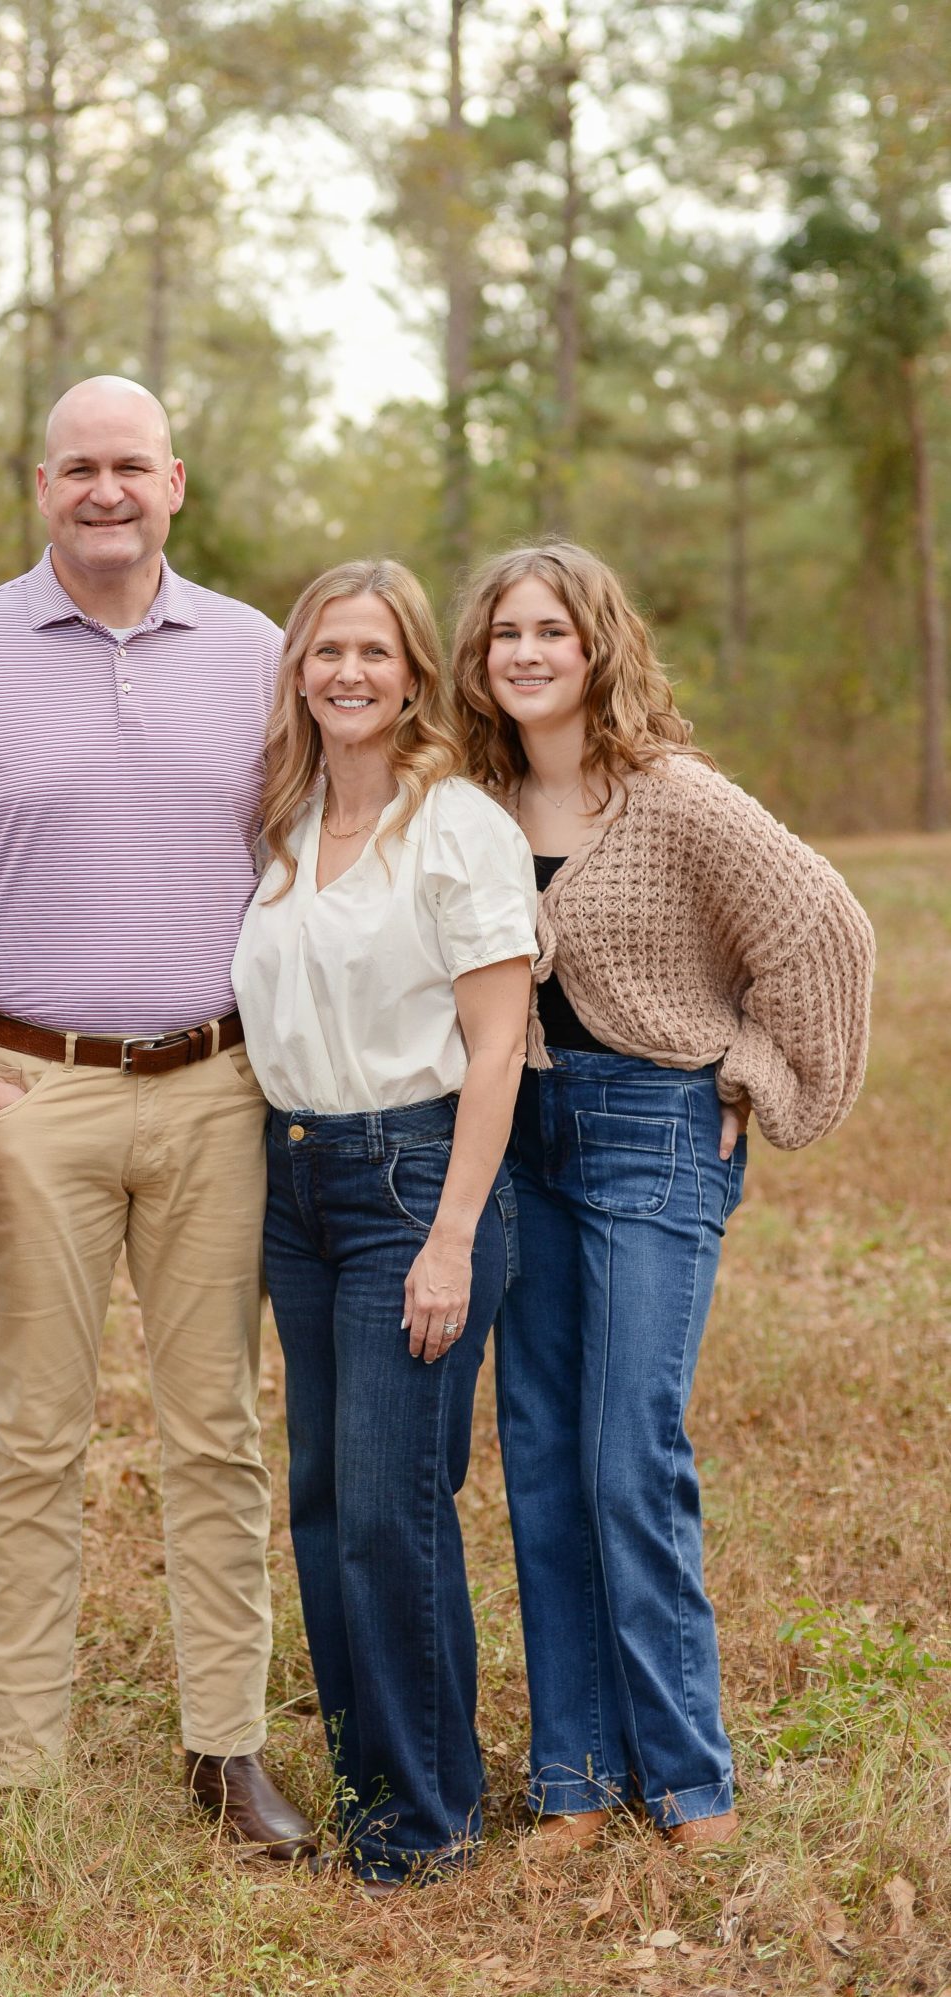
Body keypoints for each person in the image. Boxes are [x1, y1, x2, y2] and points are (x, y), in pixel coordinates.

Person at [0, 375, 314, 1856]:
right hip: (24, 1088)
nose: (103, 490)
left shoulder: (255, 651)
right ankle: (22, 1755)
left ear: (175, 480)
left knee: (217, 1431)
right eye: (76, 468)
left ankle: (227, 1748)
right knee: (34, 1432)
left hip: (215, 1084)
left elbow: (325, 850)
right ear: (37, 485)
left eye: (130, 465)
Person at [447, 541, 874, 1853]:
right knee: (537, 1447)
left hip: (653, 1135)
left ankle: (689, 1781)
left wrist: (749, 1076)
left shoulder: (673, 797)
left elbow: (824, 927)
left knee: (628, 1448)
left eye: (550, 631)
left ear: (596, 649)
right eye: (503, 632)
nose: (524, 652)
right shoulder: (469, 803)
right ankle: (574, 1772)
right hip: (520, 1137)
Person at [230, 560, 535, 1890]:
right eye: (324, 651)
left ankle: (427, 1818)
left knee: (389, 1512)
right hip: (294, 1179)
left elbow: (497, 1041)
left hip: (412, 1181)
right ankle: (371, 1794)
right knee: (317, 1503)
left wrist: (453, 1232)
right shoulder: (289, 824)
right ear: (297, 670)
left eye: (372, 651)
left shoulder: (455, 823)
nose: (346, 673)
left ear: (413, 671)